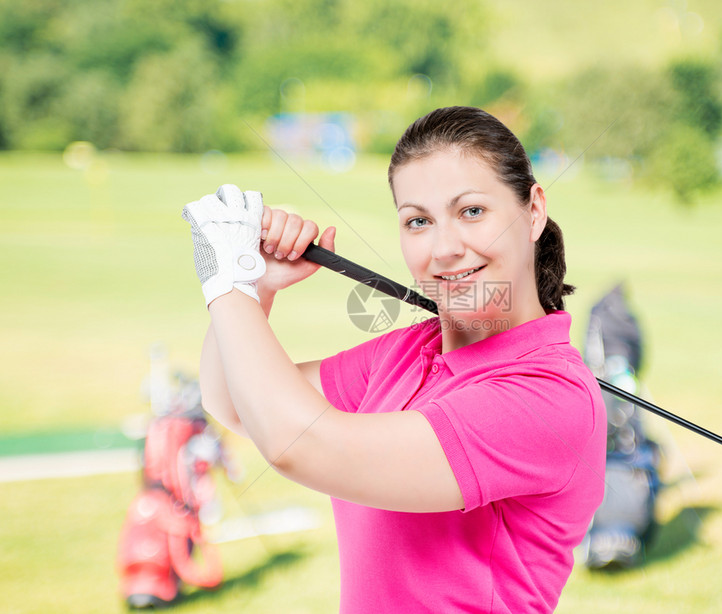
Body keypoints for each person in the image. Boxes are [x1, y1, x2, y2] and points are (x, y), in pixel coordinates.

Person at [182, 106, 607, 613]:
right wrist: (257, 287)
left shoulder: (549, 398)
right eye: (418, 221)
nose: (445, 248)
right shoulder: (409, 350)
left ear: (533, 210)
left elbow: (301, 446)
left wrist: (226, 281)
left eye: (472, 211)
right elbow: (231, 400)